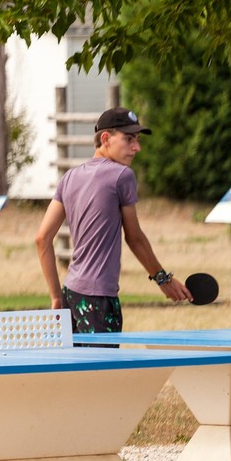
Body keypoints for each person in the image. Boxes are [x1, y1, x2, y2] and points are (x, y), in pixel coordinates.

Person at [36, 107, 191, 334]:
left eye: (137, 140)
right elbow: (134, 238)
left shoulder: (69, 177)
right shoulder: (122, 176)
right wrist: (163, 280)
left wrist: (56, 297)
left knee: (76, 360)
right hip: (99, 299)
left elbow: (42, 239)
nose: (136, 147)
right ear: (106, 139)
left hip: (71, 293)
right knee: (104, 360)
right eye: (129, 139)